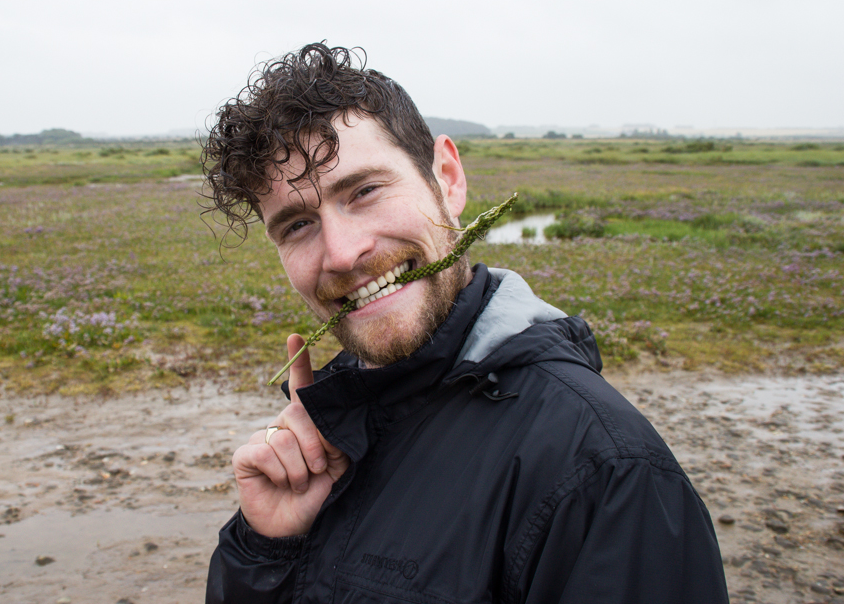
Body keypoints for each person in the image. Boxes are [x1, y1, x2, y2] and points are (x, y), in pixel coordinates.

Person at [200, 43, 728, 603]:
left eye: (365, 191)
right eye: (297, 224)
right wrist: (268, 550)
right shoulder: (324, 439)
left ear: (447, 178)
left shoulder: (606, 474)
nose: (342, 254)